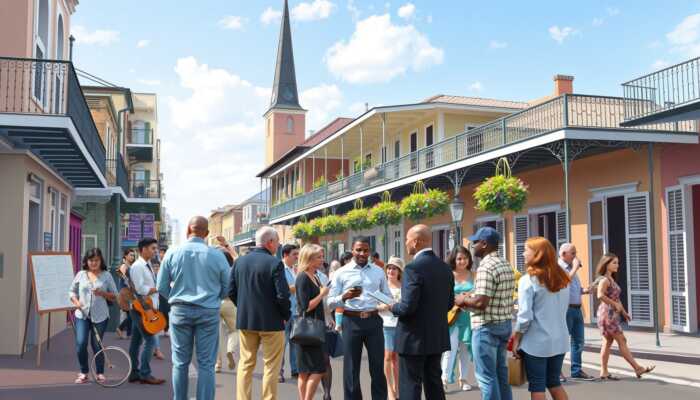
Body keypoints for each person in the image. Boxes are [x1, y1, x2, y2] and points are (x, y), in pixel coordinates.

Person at [157, 216, 230, 400]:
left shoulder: (173, 252)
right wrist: (214, 298)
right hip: (208, 311)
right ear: (206, 234)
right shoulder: (217, 255)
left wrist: (175, 298)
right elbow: (227, 287)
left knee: (180, 363)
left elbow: (161, 287)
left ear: (188, 231)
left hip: (180, 310)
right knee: (206, 364)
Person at [378, 224, 453, 400]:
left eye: (407, 240)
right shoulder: (445, 268)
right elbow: (449, 303)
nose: (406, 243)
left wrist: (391, 306)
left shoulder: (413, 268)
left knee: (410, 386)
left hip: (413, 339)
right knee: (434, 385)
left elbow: (407, 307)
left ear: (416, 241)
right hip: (436, 336)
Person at [229, 226, 291, 400]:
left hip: (246, 320)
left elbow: (231, 290)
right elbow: (283, 295)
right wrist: (285, 315)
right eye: (277, 242)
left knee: (245, 363)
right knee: (271, 366)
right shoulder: (275, 263)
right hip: (272, 322)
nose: (278, 246)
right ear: (270, 242)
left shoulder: (240, 262)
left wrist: (242, 307)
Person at [328, 236, 391, 400]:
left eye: (365, 250)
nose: (362, 253)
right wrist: (344, 296)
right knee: (351, 369)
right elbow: (330, 303)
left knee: (377, 368)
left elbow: (388, 297)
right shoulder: (341, 272)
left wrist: (383, 303)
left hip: (373, 321)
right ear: (352, 250)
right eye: (358, 250)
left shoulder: (378, 271)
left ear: (369, 251)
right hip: (351, 321)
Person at [456, 226, 515, 400]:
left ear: (484, 244)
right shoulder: (505, 264)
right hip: (504, 324)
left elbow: (481, 302)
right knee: (501, 376)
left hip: (486, 327)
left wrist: (462, 300)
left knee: (486, 378)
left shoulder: (485, 267)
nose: (473, 246)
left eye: (475, 242)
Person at [511, 237, 571, 400]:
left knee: (537, 385)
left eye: (526, 250)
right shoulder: (563, 278)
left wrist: (516, 339)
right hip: (560, 339)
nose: (523, 253)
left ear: (537, 254)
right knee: (554, 383)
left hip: (537, 342)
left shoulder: (528, 280)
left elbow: (524, 317)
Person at [595, 253, 655, 380]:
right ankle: (637, 368)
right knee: (621, 340)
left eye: (617, 262)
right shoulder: (604, 280)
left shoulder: (611, 279)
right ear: (606, 265)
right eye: (614, 263)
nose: (617, 265)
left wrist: (624, 312)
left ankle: (604, 371)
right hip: (607, 314)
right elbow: (600, 295)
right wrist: (614, 305)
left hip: (611, 314)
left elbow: (616, 298)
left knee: (607, 342)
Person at [69, 248, 118, 384]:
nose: (93, 263)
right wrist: (76, 302)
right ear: (86, 261)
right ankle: (84, 372)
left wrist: (102, 293)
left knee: (97, 344)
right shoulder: (81, 274)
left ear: (101, 260)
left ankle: (100, 372)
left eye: (96, 260)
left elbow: (115, 295)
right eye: (91, 260)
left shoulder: (107, 275)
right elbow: (71, 291)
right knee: (81, 343)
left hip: (100, 316)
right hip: (82, 315)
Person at [294, 244, 331, 400]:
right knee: (317, 369)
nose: (322, 259)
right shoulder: (303, 277)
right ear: (309, 259)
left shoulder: (314, 275)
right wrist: (322, 294)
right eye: (318, 257)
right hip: (309, 329)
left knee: (306, 371)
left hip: (316, 327)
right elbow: (305, 307)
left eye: (321, 257)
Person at [128, 237, 166, 385]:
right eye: (152, 248)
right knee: (151, 340)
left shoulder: (147, 264)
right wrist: (156, 289)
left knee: (136, 342)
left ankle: (134, 373)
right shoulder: (138, 266)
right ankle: (145, 373)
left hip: (144, 308)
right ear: (143, 249)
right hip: (141, 309)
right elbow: (139, 289)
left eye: (155, 248)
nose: (155, 251)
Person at [558, 243, 594, 381]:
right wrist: (574, 267)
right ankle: (556, 371)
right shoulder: (559, 267)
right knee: (562, 341)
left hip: (576, 308)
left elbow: (573, 287)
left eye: (575, 253)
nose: (575, 256)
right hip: (566, 309)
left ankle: (576, 370)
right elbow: (564, 283)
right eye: (572, 253)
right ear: (563, 254)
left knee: (578, 341)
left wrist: (585, 290)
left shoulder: (572, 270)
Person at [442, 245, 475, 391]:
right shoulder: (448, 274)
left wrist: (469, 299)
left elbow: (479, 294)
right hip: (452, 317)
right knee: (450, 349)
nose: (462, 261)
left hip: (469, 317)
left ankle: (464, 379)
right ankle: (444, 379)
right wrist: (459, 298)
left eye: (465, 258)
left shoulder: (474, 275)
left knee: (466, 348)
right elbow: (443, 295)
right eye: (459, 258)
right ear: (453, 260)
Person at [380, 256, 404, 400]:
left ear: (400, 271)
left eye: (394, 268)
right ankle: (390, 390)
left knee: (398, 358)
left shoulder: (404, 286)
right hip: (385, 324)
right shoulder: (382, 286)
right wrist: (383, 306)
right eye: (389, 267)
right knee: (388, 357)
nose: (391, 270)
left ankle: (398, 388)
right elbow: (373, 305)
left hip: (401, 325)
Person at [215, 237, 239, 373]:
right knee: (234, 330)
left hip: (215, 302)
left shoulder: (214, 270)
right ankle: (230, 350)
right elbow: (237, 257)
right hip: (230, 302)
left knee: (215, 335)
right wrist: (226, 245)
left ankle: (218, 364)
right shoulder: (233, 268)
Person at [280, 243, 300, 383]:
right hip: (285, 312)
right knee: (282, 343)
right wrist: (299, 284)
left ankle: (295, 369)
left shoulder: (294, 269)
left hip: (296, 312)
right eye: (294, 254)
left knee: (295, 342)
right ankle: (278, 372)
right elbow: (284, 290)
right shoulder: (280, 269)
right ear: (285, 255)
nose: (297, 257)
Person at [116, 249, 136, 339]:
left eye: (133, 255)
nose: (132, 257)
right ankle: (120, 328)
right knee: (133, 313)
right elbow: (119, 273)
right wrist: (127, 280)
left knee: (130, 313)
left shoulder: (130, 266)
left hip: (128, 291)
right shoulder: (124, 265)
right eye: (130, 255)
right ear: (125, 256)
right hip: (125, 291)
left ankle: (128, 333)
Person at [150, 258, 166, 360]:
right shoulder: (150, 276)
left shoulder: (160, 276)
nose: (156, 268)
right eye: (154, 266)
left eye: (157, 267)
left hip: (155, 305)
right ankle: (157, 350)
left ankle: (156, 349)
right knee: (154, 329)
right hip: (148, 305)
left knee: (154, 329)